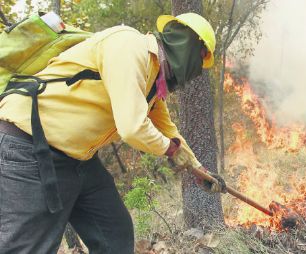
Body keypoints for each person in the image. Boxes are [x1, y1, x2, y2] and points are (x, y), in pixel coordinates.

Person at [0, 13, 225, 254]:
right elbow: (132, 127)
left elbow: (167, 128)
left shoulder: (151, 77)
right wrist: (169, 150)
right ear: (188, 44)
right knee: (27, 248)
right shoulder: (129, 46)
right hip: (29, 148)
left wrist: (198, 168)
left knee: (114, 234)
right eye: (201, 58)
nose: (198, 69)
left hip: (78, 159)